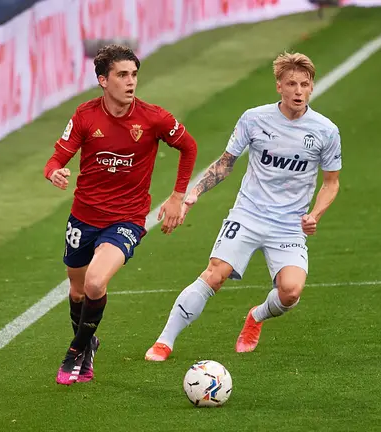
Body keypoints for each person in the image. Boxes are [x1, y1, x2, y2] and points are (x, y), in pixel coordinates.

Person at [144, 52, 341, 361]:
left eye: (304, 84)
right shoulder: (254, 119)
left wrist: (315, 215)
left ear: (312, 87)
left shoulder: (325, 131)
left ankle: (256, 317)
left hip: (289, 224)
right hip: (248, 214)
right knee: (215, 273)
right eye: (291, 83)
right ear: (279, 85)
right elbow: (225, 164)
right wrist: (193, 193)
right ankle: (164, 341)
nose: (298, 91)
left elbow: (331, 183)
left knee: (290, 291)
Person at [44, 45, 198, 384]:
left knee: (96, 282)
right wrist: (53, 172)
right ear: (103, 80)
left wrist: (176, 196)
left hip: (126, 218)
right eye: (122, 75)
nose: (131, 82)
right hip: (83, 216)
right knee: (78, 289)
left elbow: (189, 147)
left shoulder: (153, 117)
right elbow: (57, 158)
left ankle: (76, 352)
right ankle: (89, 342)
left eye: (134, 75)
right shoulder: (85, 116)